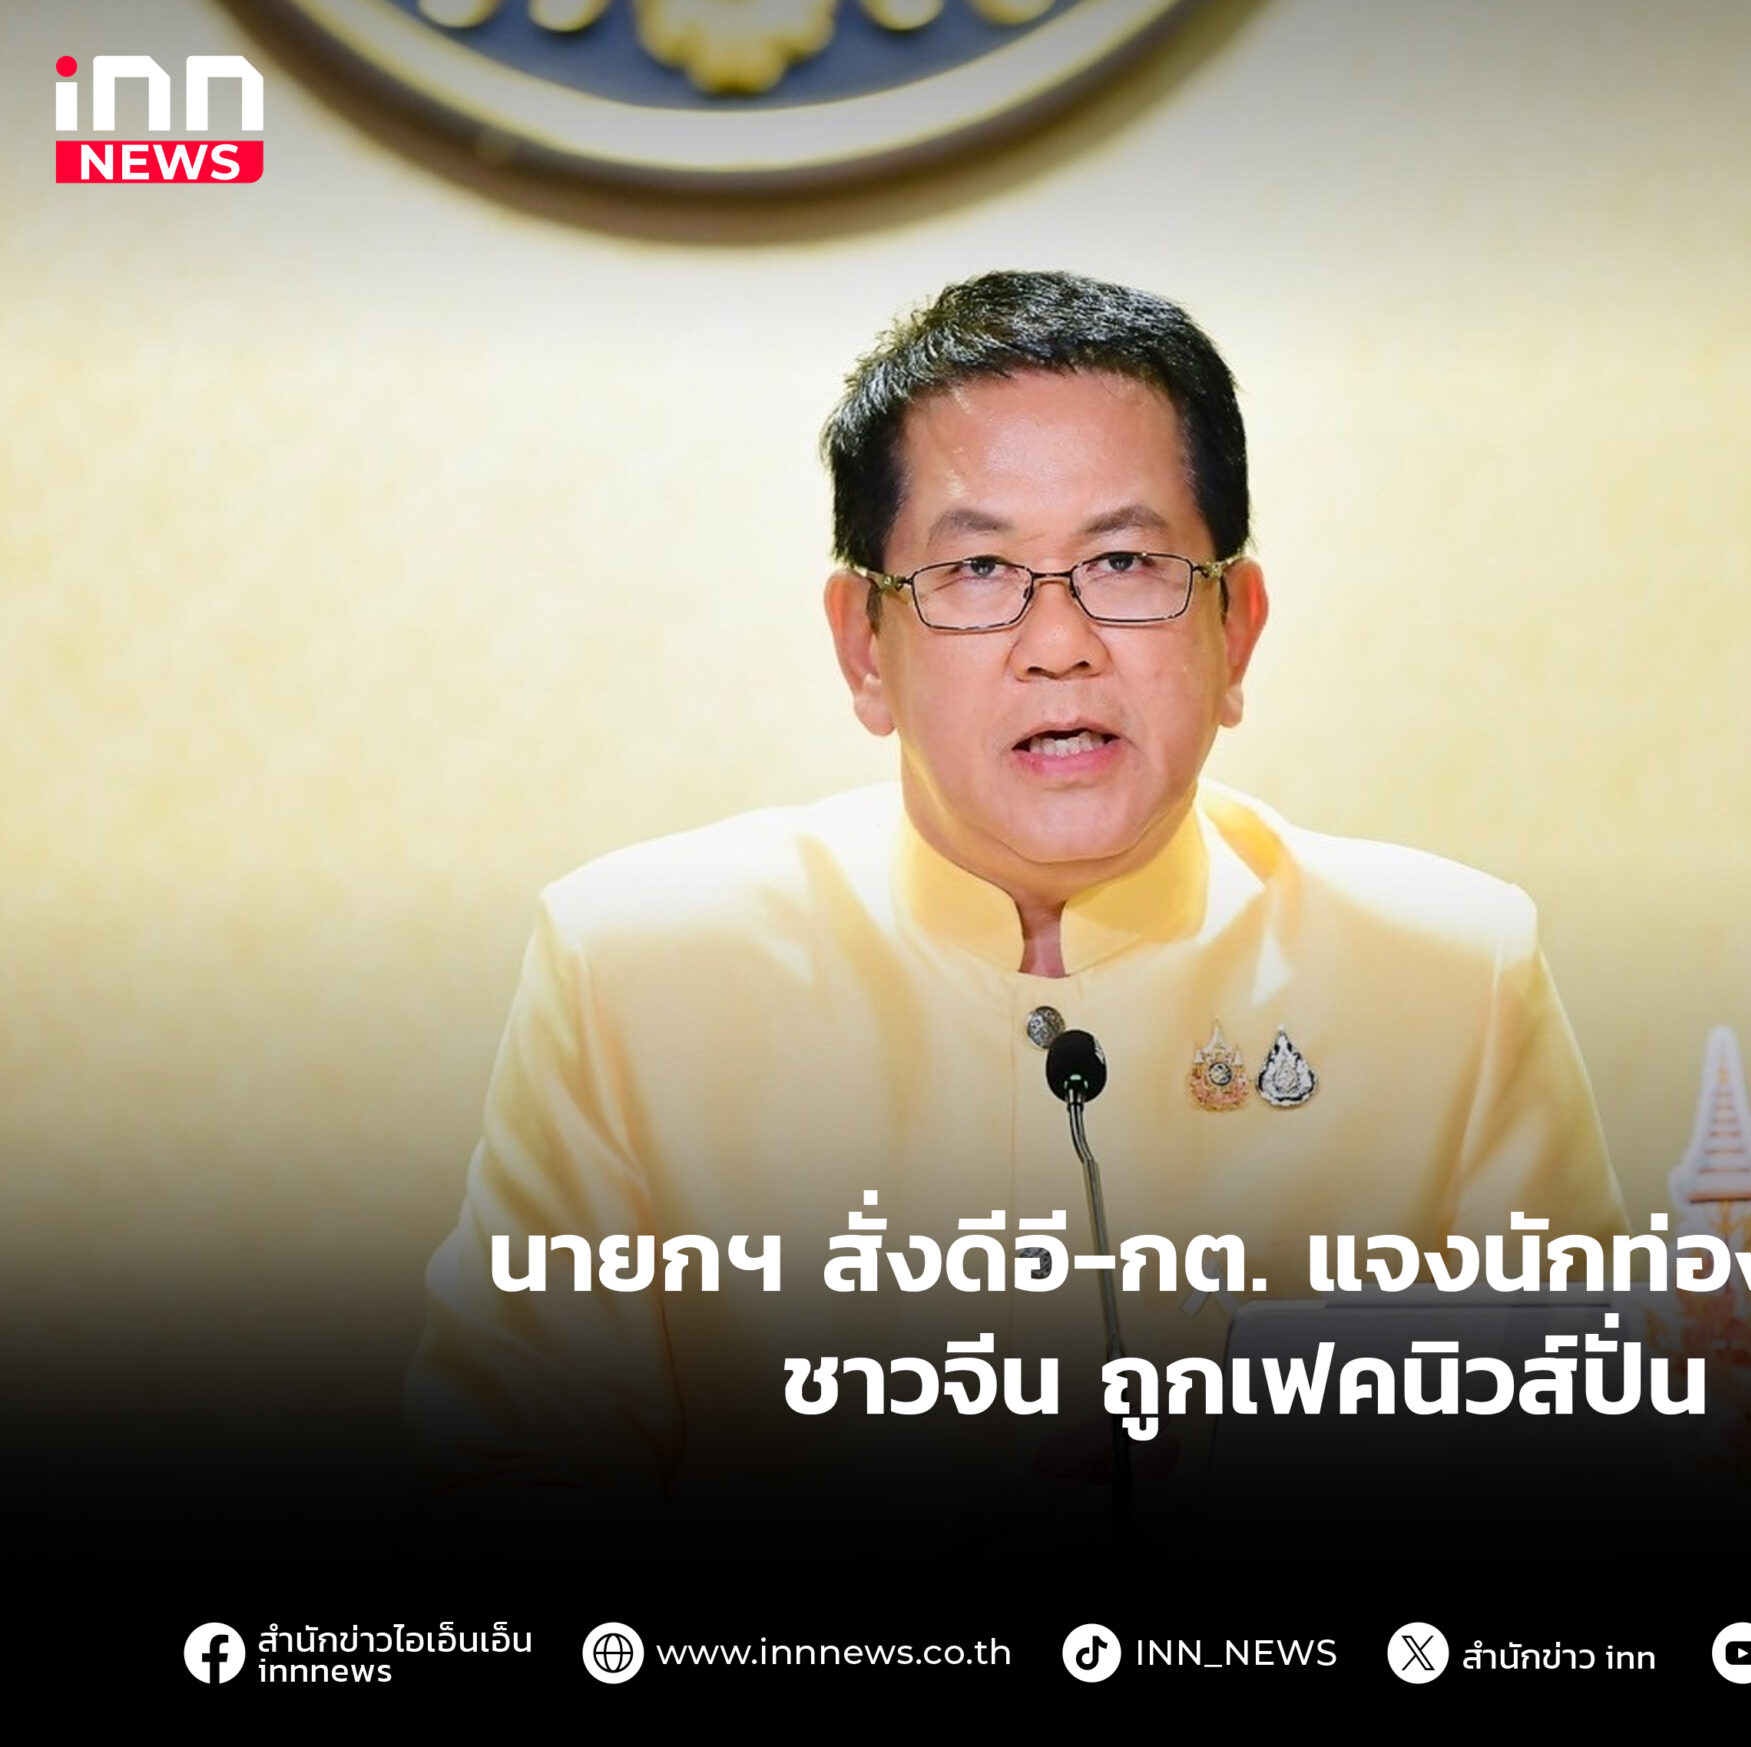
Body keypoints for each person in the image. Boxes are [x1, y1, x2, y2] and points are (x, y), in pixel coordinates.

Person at [406, 271, 1625, 1537]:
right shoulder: (635, 974)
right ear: (863, 648)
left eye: (1126, 561)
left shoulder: (1451, 978)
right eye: (979, 568)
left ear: (1237, 632)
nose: (1059, 644)